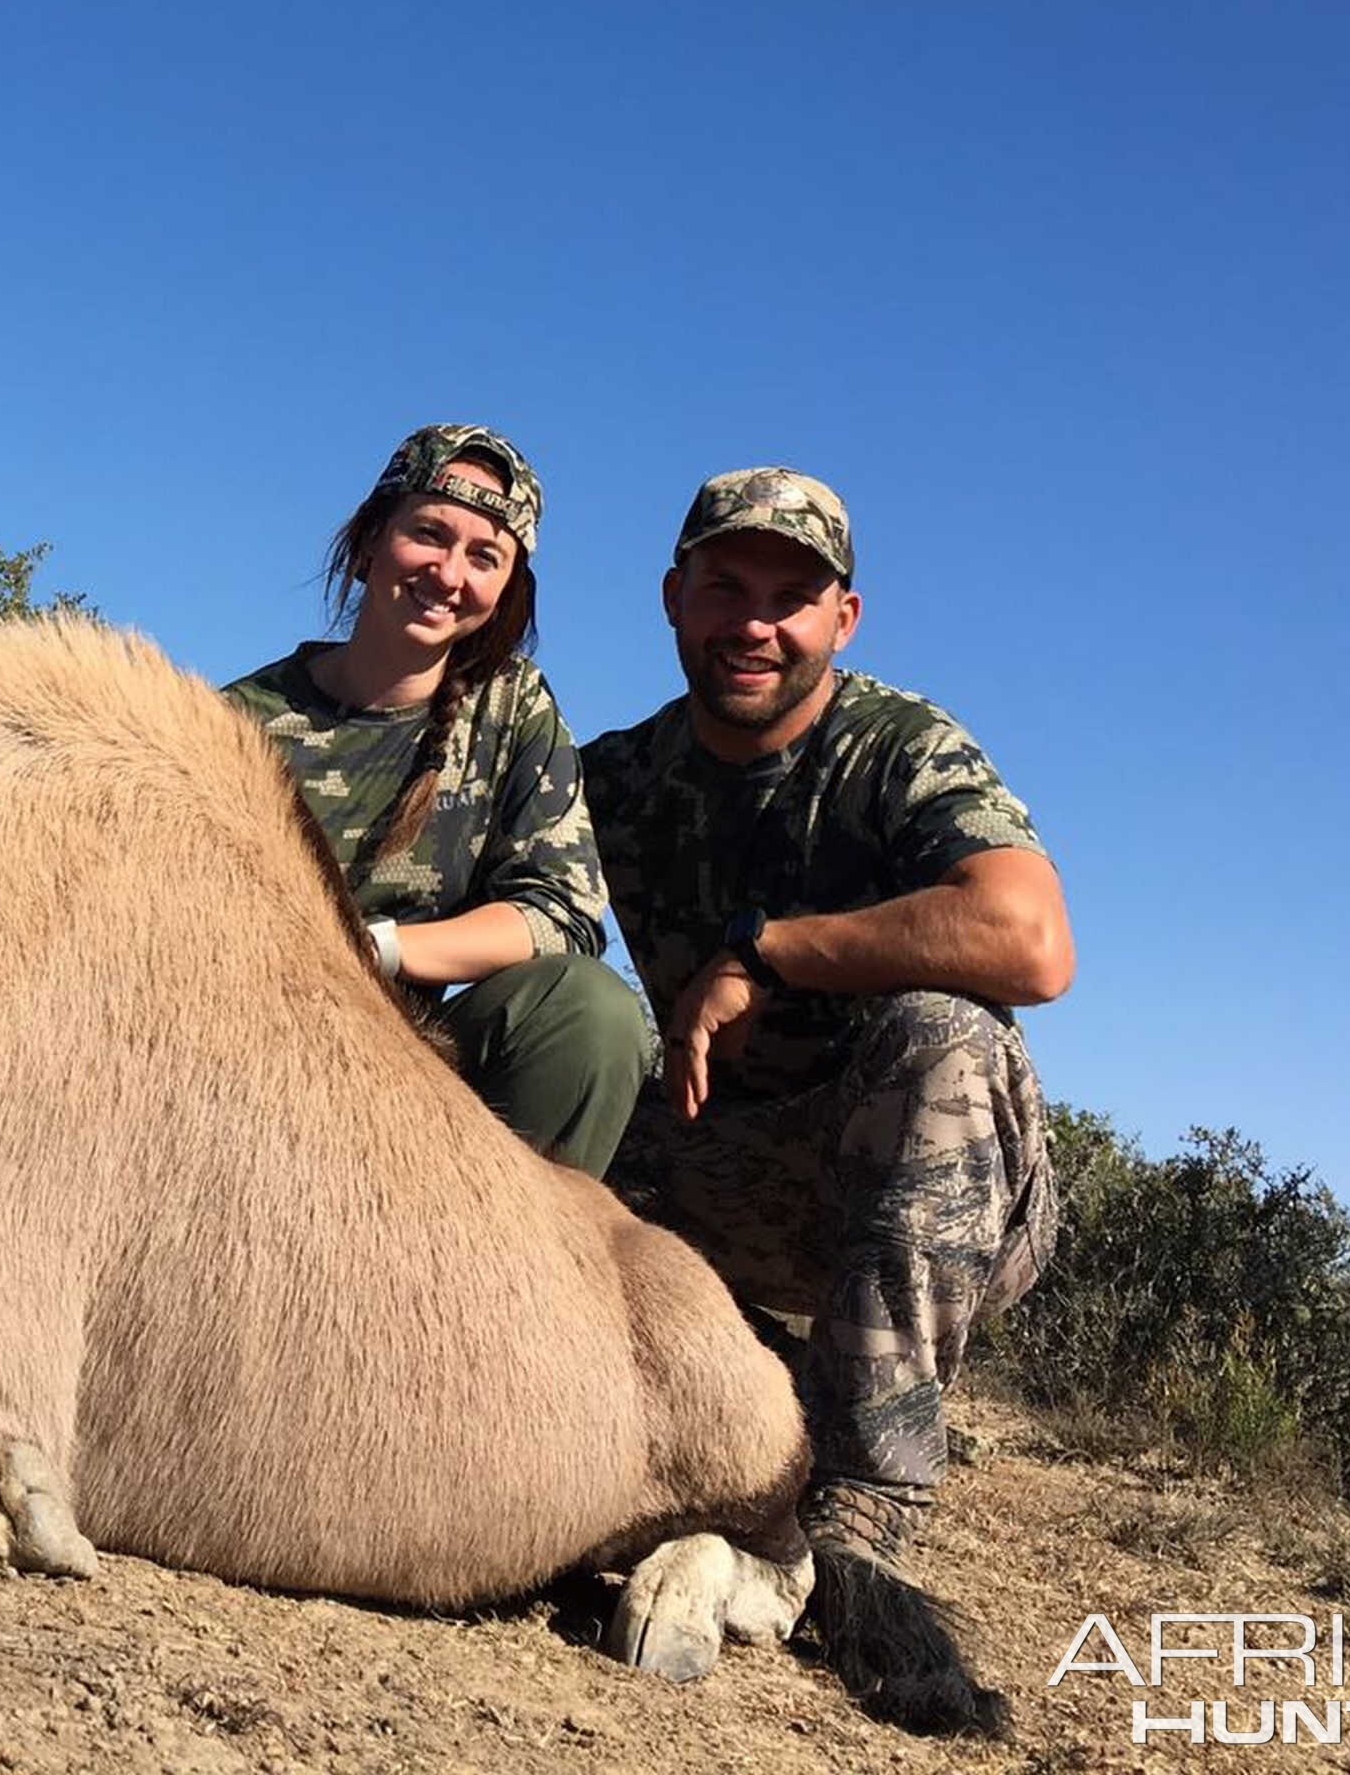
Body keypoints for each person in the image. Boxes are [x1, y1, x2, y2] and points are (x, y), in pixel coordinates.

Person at [583, 467, 1073, 1571]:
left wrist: (766, 952)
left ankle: (868, 1497)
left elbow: (1033, 945)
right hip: (713, 1161)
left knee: (949, 1037)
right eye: (725, 588)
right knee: (554, 1039)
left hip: (919, 1188)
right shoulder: (612, 778)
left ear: (841, 620)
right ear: (673, 596)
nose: (754, 625)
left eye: (790, 598)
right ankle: (742, 1388)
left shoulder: (902, 747)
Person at [226, 425, 652, 1177]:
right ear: (367, 545)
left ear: (506, 592)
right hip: (243, 1050)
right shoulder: (234, 721)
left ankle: (512, 1279)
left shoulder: (515, 713)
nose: (449, 573)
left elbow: (559, 917)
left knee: (591, 1012)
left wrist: (372, 951)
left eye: (484, 556)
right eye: (428, 533)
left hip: (416, 1062)